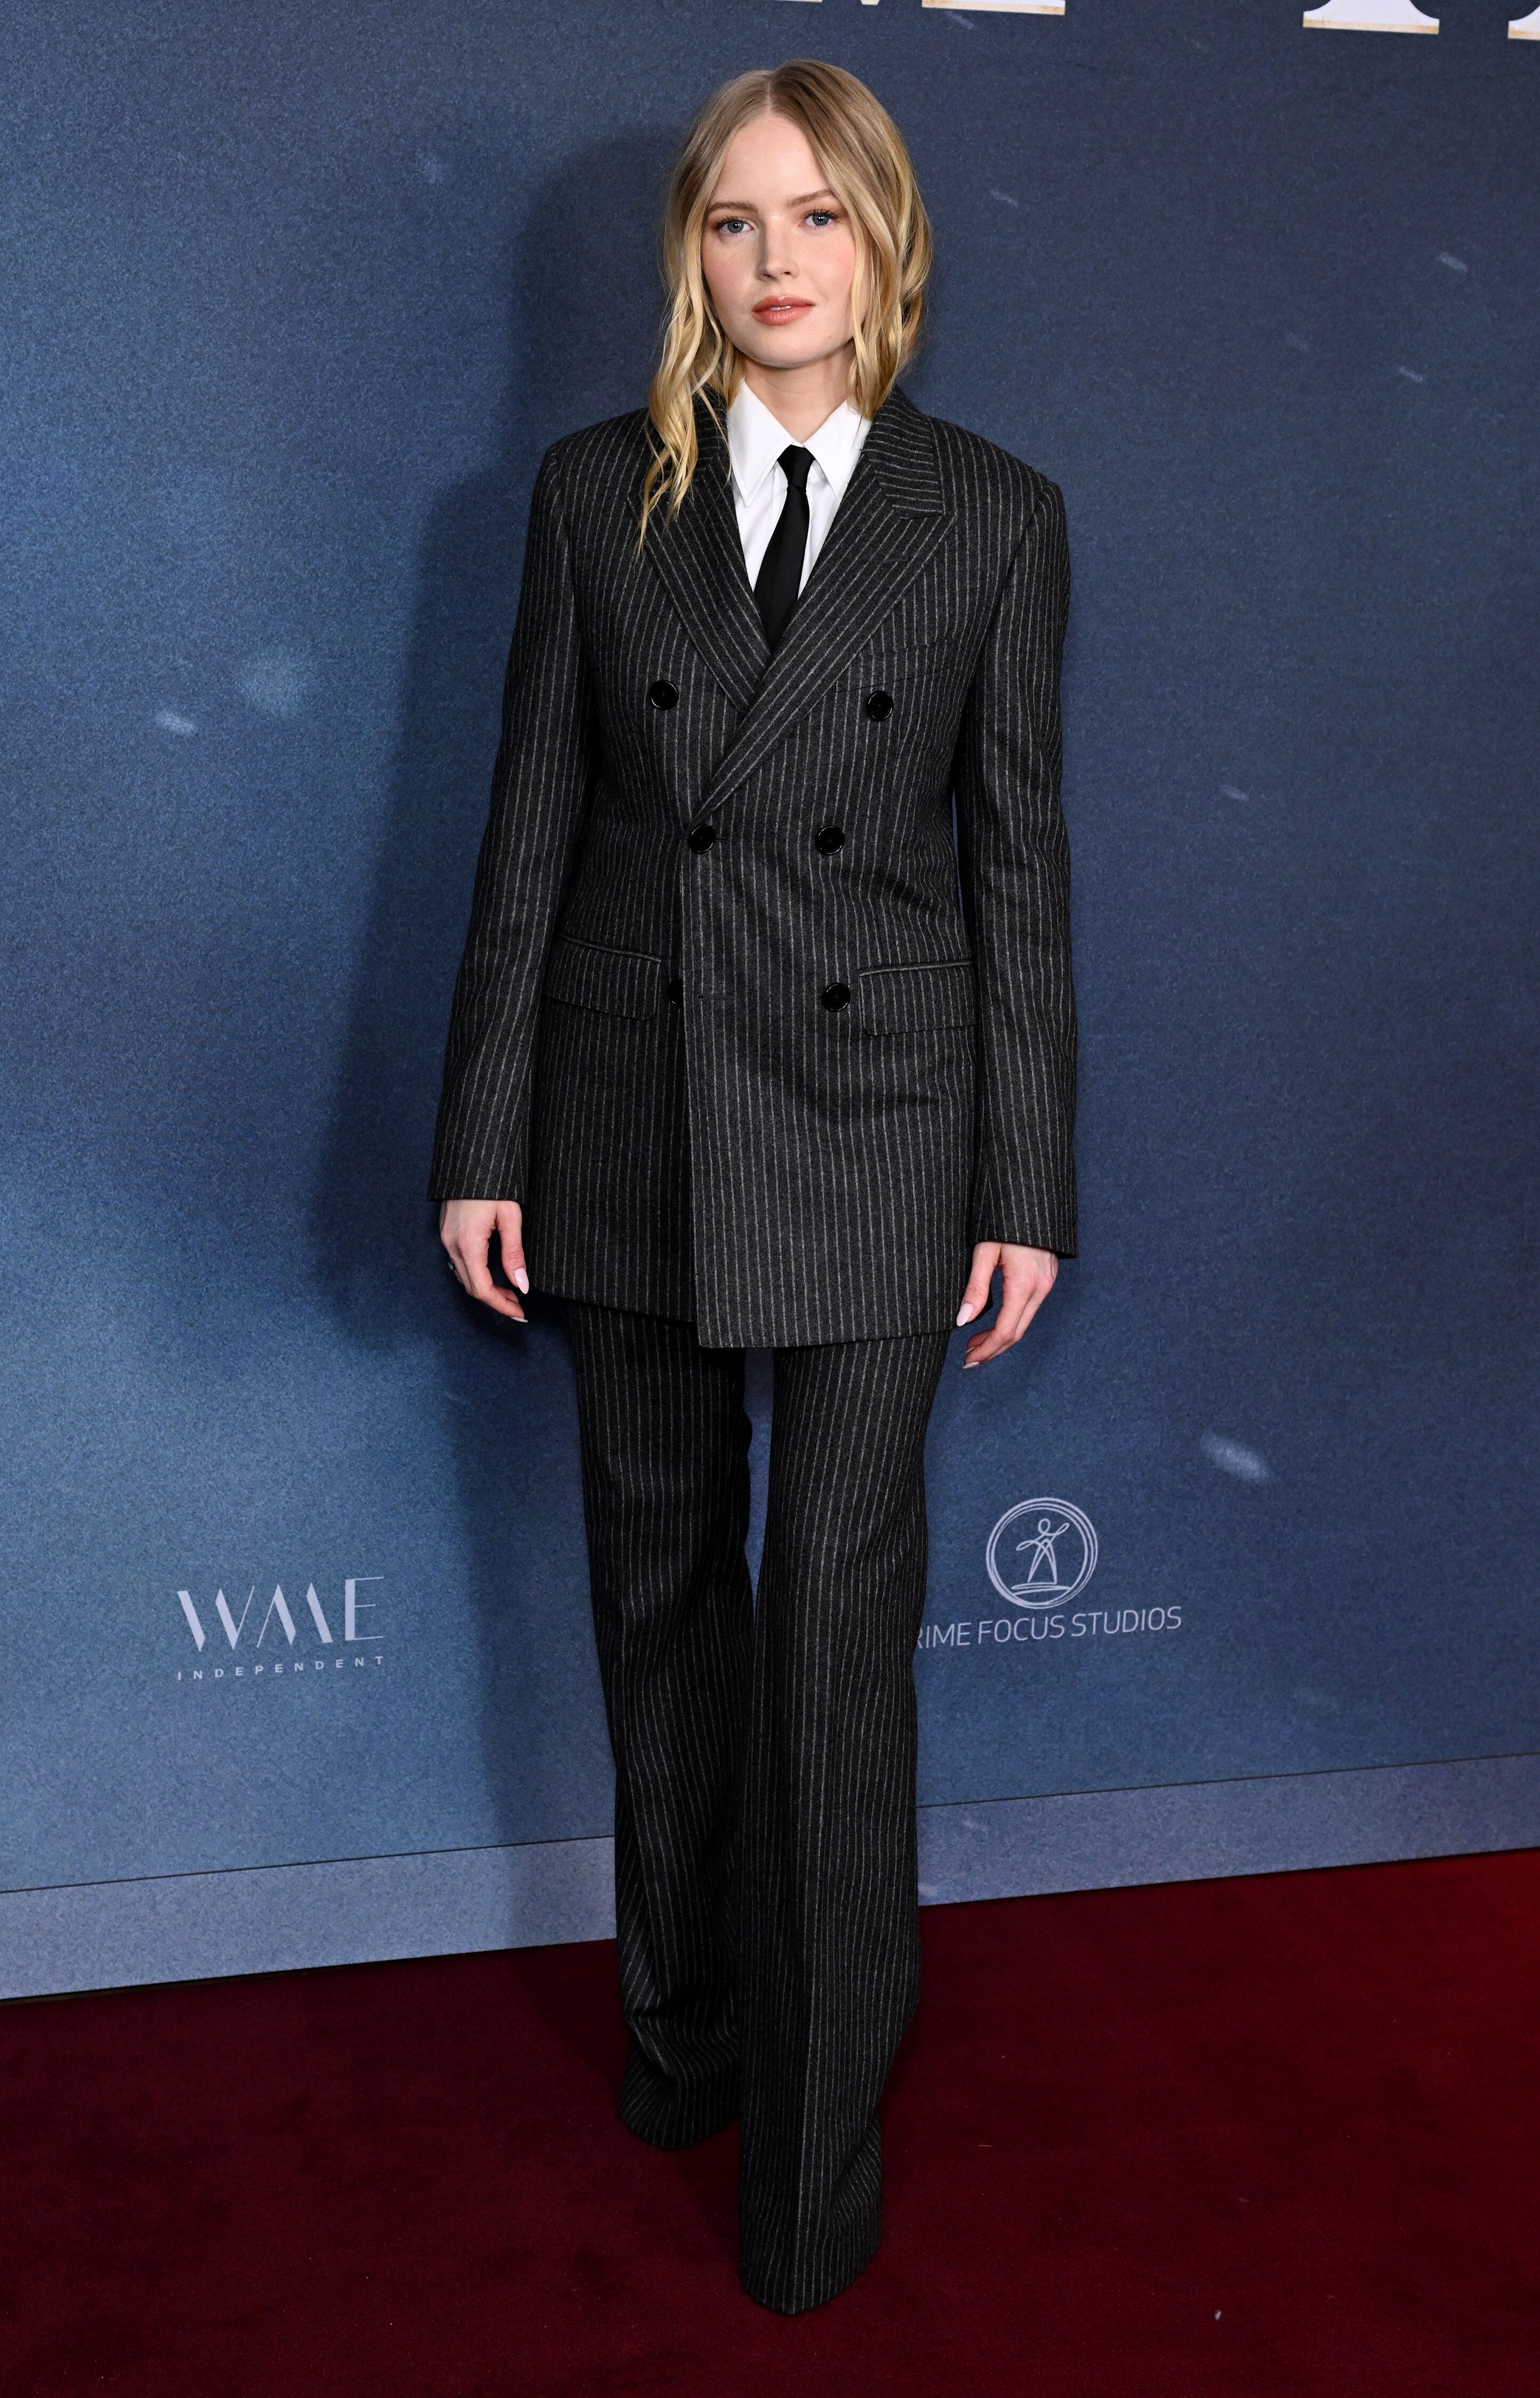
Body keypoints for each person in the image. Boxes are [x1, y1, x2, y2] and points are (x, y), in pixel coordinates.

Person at [430, 59, 1076, 2315]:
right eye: (733, 220)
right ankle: (684, 2035)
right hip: (625, 1113)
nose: (775, 260)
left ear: (886, 244)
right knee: (658, 1607)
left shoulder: (993, 516)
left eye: (816, 216)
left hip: (886, 1131)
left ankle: (813, 2165)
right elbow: (532, 828)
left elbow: (1019, 872)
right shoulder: (591, 493)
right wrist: (484, 1133)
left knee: (832, 1651)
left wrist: (1025, 1175)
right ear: (689, 255)